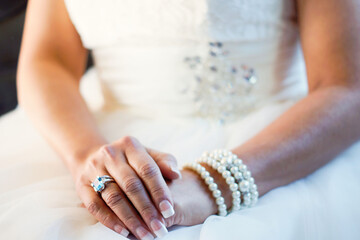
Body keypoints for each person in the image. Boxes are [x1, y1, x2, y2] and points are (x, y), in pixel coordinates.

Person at [1, 0, 360, 239]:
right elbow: (49, 59)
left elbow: (346, 88)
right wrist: (85, 154)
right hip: (98, 135)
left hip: (276, 145)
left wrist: (213, 184)